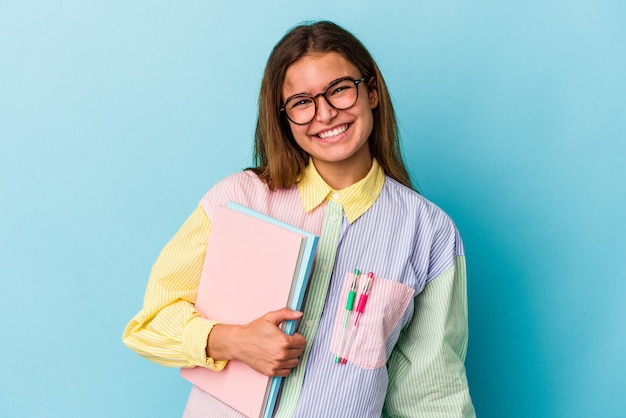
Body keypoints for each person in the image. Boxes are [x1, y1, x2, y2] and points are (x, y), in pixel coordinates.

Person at [123, 20, 475, 417]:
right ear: (284, 117)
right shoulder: (238, 199)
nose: (324, 114)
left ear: (371, 91)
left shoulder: (430, 233)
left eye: (340, 90)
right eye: (302, 102)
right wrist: (231, 341)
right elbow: (151, 323)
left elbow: (430, 391)